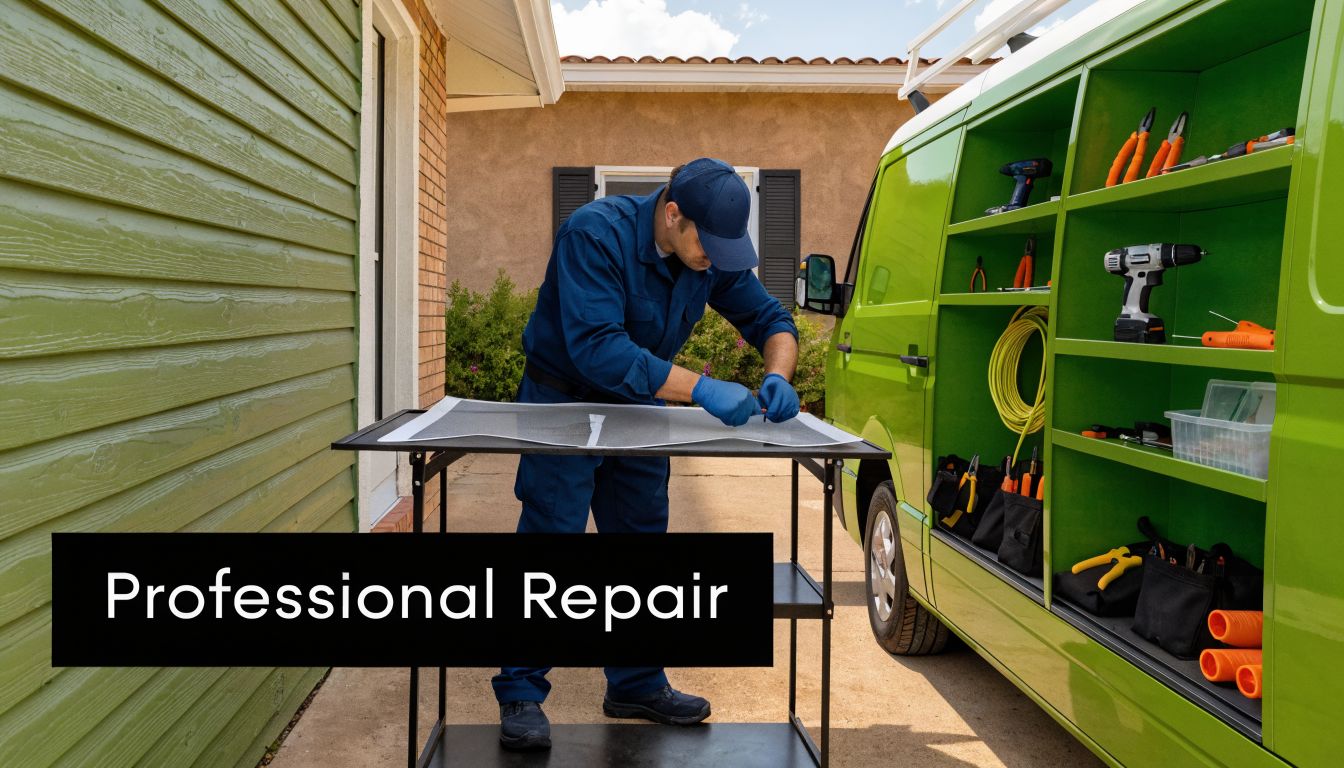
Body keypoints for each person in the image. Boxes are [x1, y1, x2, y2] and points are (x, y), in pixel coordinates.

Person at [493, 158, 801, 750]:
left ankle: (635, 682)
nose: (714, 257)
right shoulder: (593, 233)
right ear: (672, 214)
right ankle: (521, 690)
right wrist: (703, 389)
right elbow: (597, 350)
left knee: (639, 541)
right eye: (707, 244)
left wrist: (778, 371)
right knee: (550, 540)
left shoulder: (710, 256)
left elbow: (771, 318)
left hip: (641, 407)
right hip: (566, 401)